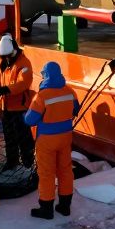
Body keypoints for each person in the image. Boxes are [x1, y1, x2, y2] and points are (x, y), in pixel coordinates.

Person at [24, 61, 80, 219]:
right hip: (65, 137)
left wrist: (24, 115)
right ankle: (65, 206)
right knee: (65, 170)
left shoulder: (42, 96)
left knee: (47, 173)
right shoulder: (70, 91)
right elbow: (76, 109)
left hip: (46, 140)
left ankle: (46, 209)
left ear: (46, 75)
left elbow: (30, 120)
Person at [0, 33, 34, 170]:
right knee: (9, 137)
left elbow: (23, 83)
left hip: (20, 108)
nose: (5, 59)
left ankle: (28, 162)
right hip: (6, 107)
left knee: (24, 137)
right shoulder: (3, 62)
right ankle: (11, 162)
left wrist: (4, 90)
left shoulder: (24, 64)